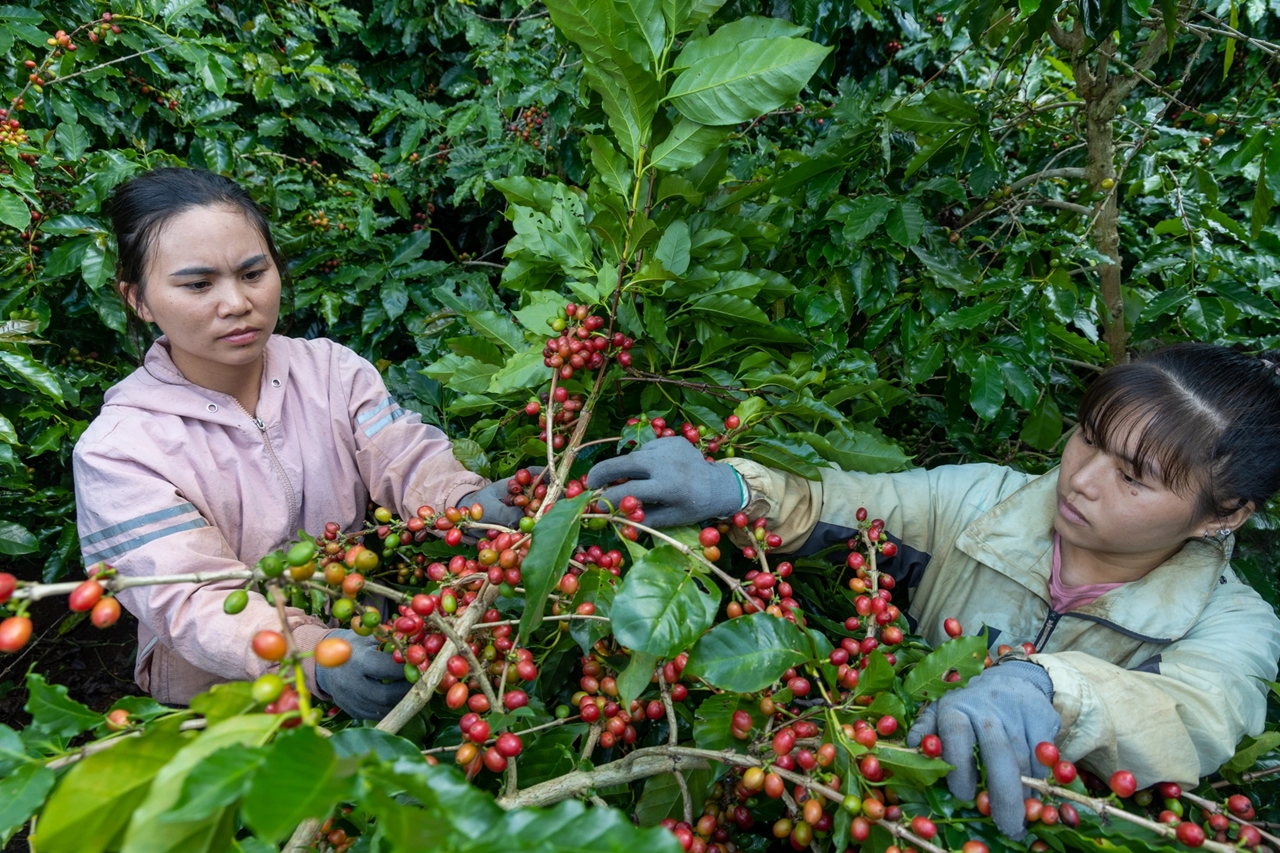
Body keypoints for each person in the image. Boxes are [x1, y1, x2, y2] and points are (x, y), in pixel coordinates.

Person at [585, 344, 1280, 838]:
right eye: (1087, 437)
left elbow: (1198, 715)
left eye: (1134, 477)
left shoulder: (1233, 623)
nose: (1084, 478)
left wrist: (1050, 688)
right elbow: (840, 500)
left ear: (1225, 513)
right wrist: (735, 486)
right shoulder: (978, 502)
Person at [72, 168, 518, 720]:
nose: (236, 302)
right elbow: (194, 601)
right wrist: (311, 657)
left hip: (377, 650)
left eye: (253, 273)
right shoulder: (120, 449)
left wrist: (467, 503)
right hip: (228, 706)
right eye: (197, 284)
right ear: (138, 299)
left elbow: (404, 456)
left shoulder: (333, 372)